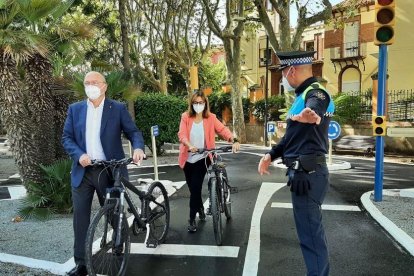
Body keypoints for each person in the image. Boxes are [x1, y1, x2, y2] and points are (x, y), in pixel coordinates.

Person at [258, 51, 335, 276]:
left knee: (311, 237)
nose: (283, 78)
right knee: (309, 235)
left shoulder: (314, 92)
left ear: (291, 71)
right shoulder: (301, 97)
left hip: (308, 174)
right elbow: (290, 140)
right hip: (305, 173)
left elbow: (318, 102)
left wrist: (312, 113)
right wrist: (270, 155)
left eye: (282, 72)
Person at [62, 71, 145, 276]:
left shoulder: (117, 108)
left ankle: (119, 240)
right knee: (80, 218)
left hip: (110, 169)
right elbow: (67, 138)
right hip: (83, 171)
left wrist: (138, 148)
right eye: (87, 82)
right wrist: (79, 154)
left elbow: (133, 132)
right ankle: (81, 264)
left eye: (94, 82)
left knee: (113, 212)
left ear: (104, 86)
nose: (90, 86)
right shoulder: (75, 109)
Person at [178, 90, 240, 233]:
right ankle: (200, 208)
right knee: (193, 189)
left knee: (195, 187)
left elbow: (223, 130)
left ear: (205, 103)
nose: (198, 105)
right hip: (187, 158)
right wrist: (189, 145)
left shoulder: (211, 118)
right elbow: (181, 135)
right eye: (195, 103)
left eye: (200, 102)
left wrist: (234, 140)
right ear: (191, 104)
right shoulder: (186, 117)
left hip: (203, 158)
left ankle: (191, 219)